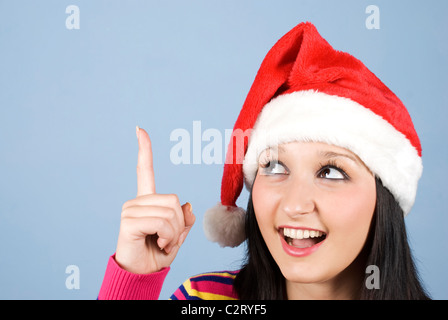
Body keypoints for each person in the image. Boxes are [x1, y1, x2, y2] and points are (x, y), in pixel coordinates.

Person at [98, 22, 431, 300]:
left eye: (331, 172)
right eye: (274, 167)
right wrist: (134, 281)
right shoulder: (204, 298)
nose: (294, 204)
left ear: (384, 198)